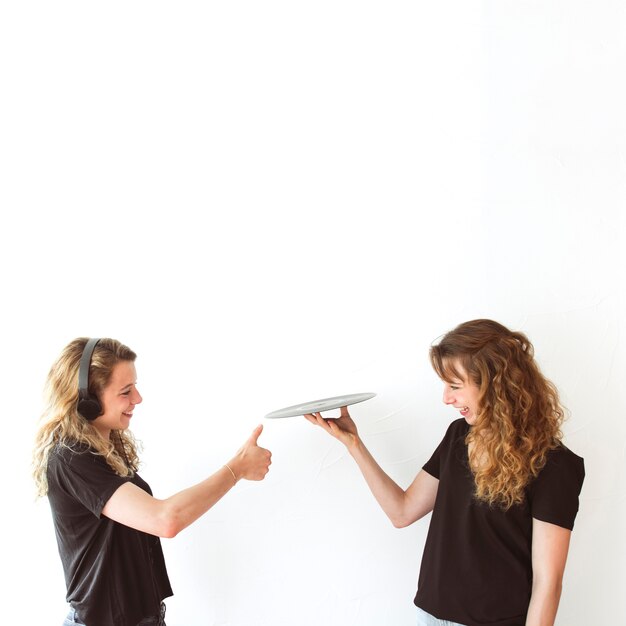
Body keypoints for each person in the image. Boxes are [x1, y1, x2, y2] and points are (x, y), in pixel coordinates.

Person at [305, 319, 584, 626]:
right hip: (430, 616)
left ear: (495, 384)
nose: (446, 398)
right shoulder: (458, 437)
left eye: (455, 386)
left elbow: (548, 581)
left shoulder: (555, 465)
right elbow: (402, 512)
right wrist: (353, 444)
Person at [32, 337, 272, 626]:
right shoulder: (72, 458)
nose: (138, 398)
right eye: (125, 391)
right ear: (88, 400)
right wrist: (237, 469)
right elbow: (164, 519)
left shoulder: (105, 449)